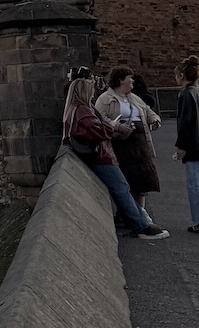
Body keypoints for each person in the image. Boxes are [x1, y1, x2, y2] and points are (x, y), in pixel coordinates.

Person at [63, 69, 169, 238]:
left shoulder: (77, 108)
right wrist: (112, 126)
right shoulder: (84, 109)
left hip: (127, 146)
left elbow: (146, 109)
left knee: (132, 185)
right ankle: (141, 226)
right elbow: (95, 130)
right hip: (102, 154)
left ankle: (140, 219)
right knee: (122, 188)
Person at [94, 66, 162, 213]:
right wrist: (117, 126)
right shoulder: (105, 99)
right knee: (126, 180)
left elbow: (147, 110)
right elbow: (99, 119)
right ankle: (128, 213)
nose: (132, 80)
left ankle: (140, 211)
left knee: (143, 179)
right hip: (120, 144)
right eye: (129, 78)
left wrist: (155, 119)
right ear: (120, 80)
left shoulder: (133, 97)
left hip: (139, 143)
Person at [176, 54, 199, 235]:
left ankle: (197, 220)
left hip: (194, 146)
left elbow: (185, 122)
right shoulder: (197, 91)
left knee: (194, 184)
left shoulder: (186, 94)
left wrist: (181, 146)